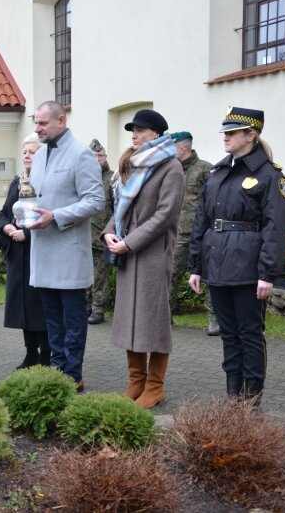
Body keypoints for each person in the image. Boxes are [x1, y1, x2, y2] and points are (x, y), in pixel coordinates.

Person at [188, 107, 285, 403]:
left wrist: (267, 273)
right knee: (229, 335)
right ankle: (233, 397)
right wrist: (195, 266)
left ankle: (252, 401)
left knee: (249, 335)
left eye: (232, 132)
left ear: (251, 135)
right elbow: (201, 221)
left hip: (248, 268)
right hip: (217, 264)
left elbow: (276, 227)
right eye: (225, 132)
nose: (226, 137)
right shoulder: (218, 174)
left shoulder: (270, 176)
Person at [102, 109, 184, 409]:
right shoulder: (133, 165)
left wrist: (130, 243)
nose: (134, 135)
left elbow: (165, 216)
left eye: (141, 130)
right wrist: (110, 234)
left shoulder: (170, 167)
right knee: (129, 320)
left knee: (153, 321)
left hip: (151, 255)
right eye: (132, 130)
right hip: (126, 252)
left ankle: (155, 386)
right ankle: (136, 381)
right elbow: (120, 210)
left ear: (158, 134)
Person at [27, 101, 105, 392]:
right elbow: (34, 195)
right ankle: (56, 370)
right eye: (35, 123)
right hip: (43, 251)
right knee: (52, 321)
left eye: (43, 123)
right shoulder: (39, 155)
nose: (37, 128)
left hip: (69, 252)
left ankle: (73, 375)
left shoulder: (81, 154)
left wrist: (56, 216)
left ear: (61, 120)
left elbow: (96, 201)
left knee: (72, 321)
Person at [0, 134, 50, 368]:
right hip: (18, 254)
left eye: (32, 151)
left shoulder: (47, 181)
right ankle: (30, 353)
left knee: (40, 306)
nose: (27, 155)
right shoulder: (18, 182)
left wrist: (25, 233)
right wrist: (6, 227)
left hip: (40, 250)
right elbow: (4, 212)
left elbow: (49, 215)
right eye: (25, 151)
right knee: (22, 307)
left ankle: (46, 353)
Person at [168, 131, 219, 336]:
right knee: (170, 275)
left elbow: (216, 201)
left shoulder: (206, 170)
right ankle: (165, 317)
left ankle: (214, 321)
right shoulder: (171, 171)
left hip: (203, 234)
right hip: (177, 234)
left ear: (181, 149)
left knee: (209, 277)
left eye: (171, 148)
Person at [86, 139, 115, 325]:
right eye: (93, 155)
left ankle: (98, 309)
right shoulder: (84, 177)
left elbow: (117, 208)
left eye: (101, 155)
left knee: (99, 277)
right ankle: (85, 306)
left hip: (102, 236)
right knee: (84, 274)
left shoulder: (112, 179)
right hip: (82, 236)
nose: (97, 159)